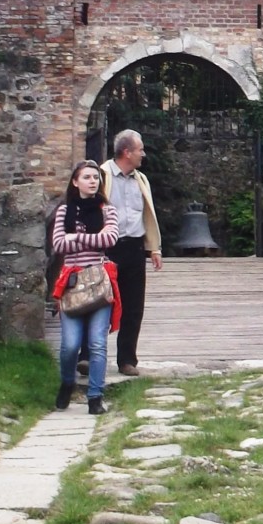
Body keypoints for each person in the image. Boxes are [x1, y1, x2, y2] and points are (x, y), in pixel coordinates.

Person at [49, 160, 118, 414]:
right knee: (70, 345)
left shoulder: (107, 210)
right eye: (87, 177)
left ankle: (95, 397)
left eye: (96, 177)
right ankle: (67, 382)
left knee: (98, 343)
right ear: (75, 182)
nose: (92, 181)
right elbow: (58, 244)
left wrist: (76, 237)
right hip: (72, 285)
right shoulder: (63, 211)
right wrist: (91, 240)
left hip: (98, 282)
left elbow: (110, 239)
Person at [100, 130, 164, 376]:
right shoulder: (102, 175)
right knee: (97, 302)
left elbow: (146, 214)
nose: (143, 154)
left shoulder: (141, 179)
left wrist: (154, 248)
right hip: (107, 248)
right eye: (140, 149)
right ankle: (88, 356)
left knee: (133, 306)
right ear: (127, 152)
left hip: (135, 248)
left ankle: (127, 360)